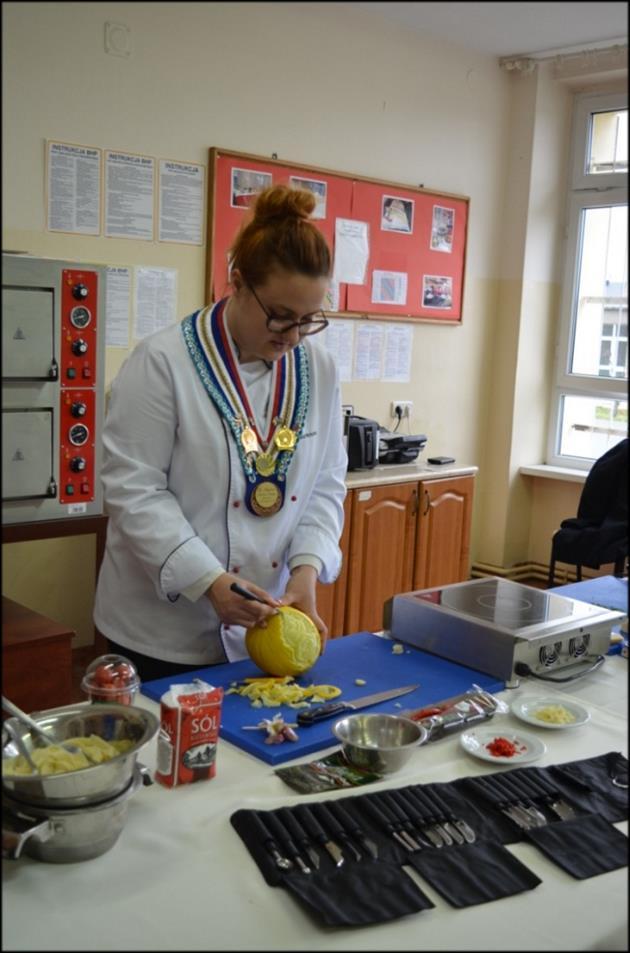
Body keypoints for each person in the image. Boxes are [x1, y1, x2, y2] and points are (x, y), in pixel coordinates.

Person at [93, 184, 348, 680]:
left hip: (268, 621)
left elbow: (325, 484)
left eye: (308, 320)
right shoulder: (163, 362)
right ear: (236, 281)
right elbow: (134, 491)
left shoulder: (318, 369)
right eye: (279, 315)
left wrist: (307, 568)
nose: (291, 336)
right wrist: (206, 579)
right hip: (163, 629)